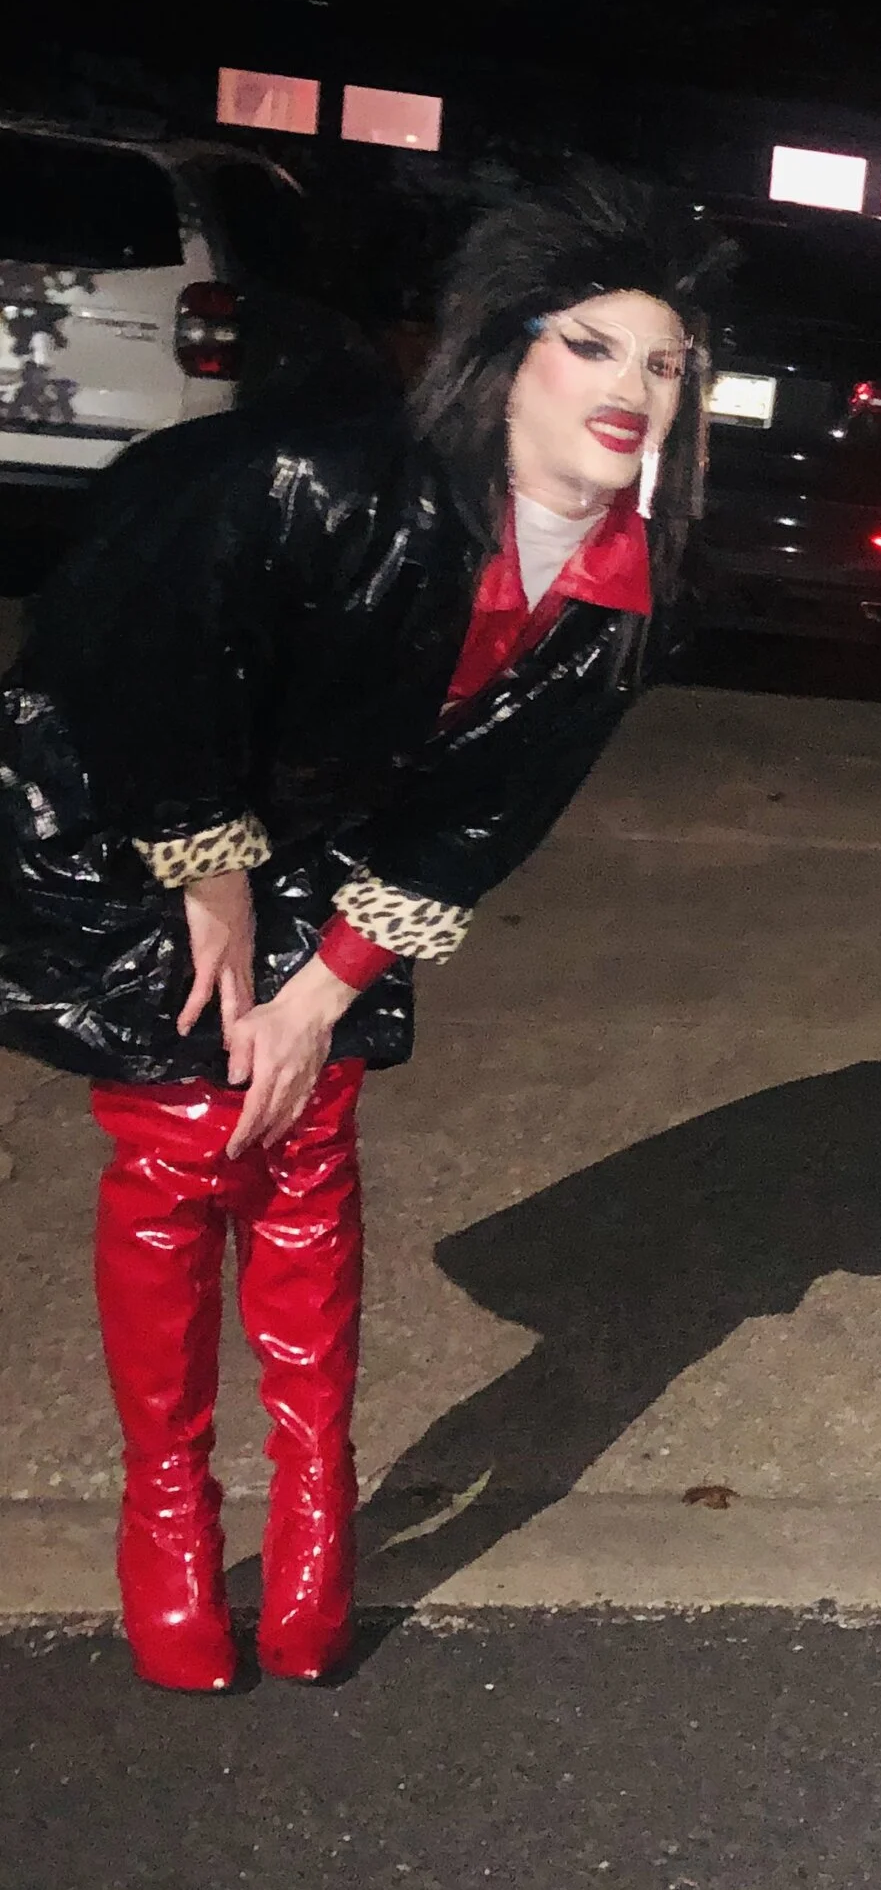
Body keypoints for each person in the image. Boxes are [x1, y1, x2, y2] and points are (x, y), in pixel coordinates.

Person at [0, 178, 725, 1692]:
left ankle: (316, 1522)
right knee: (192, 1142)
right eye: (593, 347)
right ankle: (169, 1516)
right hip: (130, 802)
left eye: (664, 364)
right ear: (507, 356)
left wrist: (320, 990)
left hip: (329, 856)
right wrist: (205, 874)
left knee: (307, 1138)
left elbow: (479, 818)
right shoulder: (309, 479)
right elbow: (134, 649)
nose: (634, 390)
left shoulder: (623, 589)